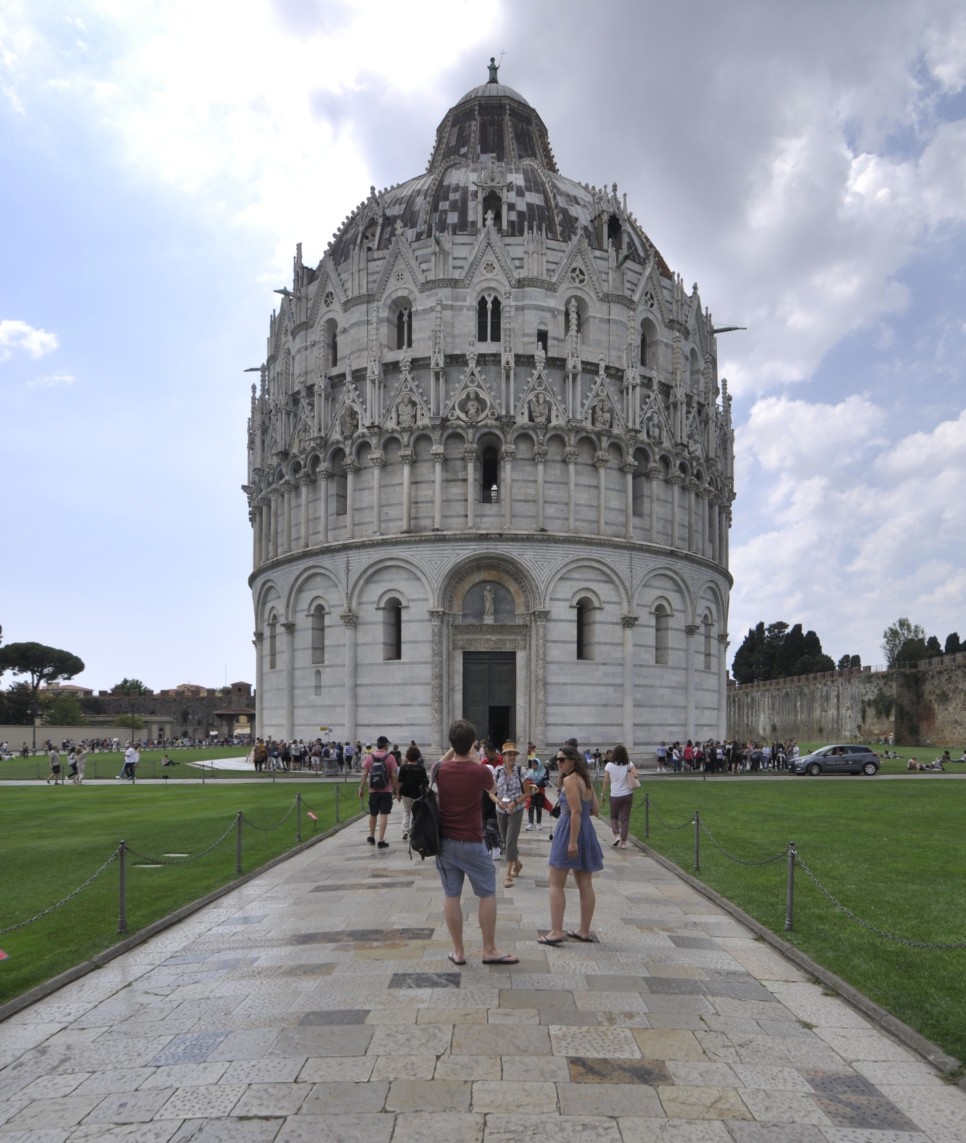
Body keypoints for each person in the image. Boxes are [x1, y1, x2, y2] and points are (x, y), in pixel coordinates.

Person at [434, 718, 518, 966]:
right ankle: (489, 949)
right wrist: (472, 756)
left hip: (445, 844)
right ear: (473, 744)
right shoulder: (481, 770)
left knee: (451, 895)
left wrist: (457, 747)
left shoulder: (439, 770)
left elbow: (440, 762)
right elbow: (493, 787)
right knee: (487, 893)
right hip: (471, 841)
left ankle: (458, 952)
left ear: (451, 743)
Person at [539, 743, 604, 946]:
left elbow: (575, 811)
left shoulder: (569, 781)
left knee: (556, 883)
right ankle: (584, 930)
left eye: (562, 760)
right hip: (587, 830)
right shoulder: (585, 779)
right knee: (585, 884)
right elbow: (595, 809)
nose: (558, 763)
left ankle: (557, 930)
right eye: (557, 760)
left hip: (570, 830)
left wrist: (572, 840)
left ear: (572, 761)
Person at [491, 741, 527, 888]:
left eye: (514, 754)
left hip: (516, 810)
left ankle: (507, 876)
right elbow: (490, 793)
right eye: (508, 754)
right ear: (503, 757)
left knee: (511, 840)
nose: (512, 757)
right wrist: (497, 801)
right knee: (506, 841)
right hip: (501, 810)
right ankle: (517, 864)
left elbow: (527, 793)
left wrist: (515, 802)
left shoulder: (521, 771)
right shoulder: (497, 771)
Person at [358, 735, 399, 848]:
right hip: (386, 790)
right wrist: (396, 789)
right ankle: (381, 840)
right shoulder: (390, 758)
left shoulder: (370, 757)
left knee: (373, 813)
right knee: (384, 814)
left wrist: (361, 788)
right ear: (385, 745)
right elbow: (394, 775)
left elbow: (365, 774)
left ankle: (371, 836)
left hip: (373, 790)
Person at [601, 743, 636, 849]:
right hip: (627, 794)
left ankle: (617, 835)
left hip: (615, 794)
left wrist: (603, 793)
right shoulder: (629, 764)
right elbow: (637, 774)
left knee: (613, 817)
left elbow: (606, 780)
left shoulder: (609, 765)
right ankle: (624, 842)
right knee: (625, 819)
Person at [397, 743, 428, 841]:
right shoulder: (421, 768)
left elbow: (400, 782)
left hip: (405, 793)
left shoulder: (403, 768)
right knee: (416, 813)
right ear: (418, 756)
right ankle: (413, 831)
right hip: (417, 794)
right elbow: (425, 782)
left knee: (406, 811)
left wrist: (398, 793)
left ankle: (405, 830)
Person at [525, 751, 549, 831]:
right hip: (532, 792)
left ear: (539, 765)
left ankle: (538, 823)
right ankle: (530, 823)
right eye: (532, 765)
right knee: (531, 807)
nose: (534, 766)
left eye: (535, 765)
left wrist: (537, 784)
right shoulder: (530, 772)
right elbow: (526, 780)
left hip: (540, 792)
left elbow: (545, 782)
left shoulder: (543, 772)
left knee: (539, 807)